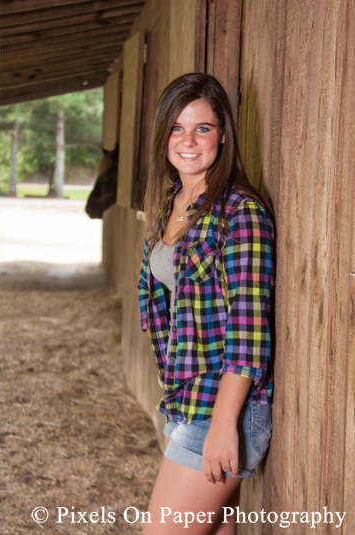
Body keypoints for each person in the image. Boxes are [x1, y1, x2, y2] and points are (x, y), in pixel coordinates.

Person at [137, 73, 275, 534]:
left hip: (221, 408)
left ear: (223, 134)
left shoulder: (240, 213)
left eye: (203, 128)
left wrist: (223, 425)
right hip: (186, 400)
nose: (188, 140)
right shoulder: (171, 206)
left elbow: (248, 330)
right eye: (177, 128)